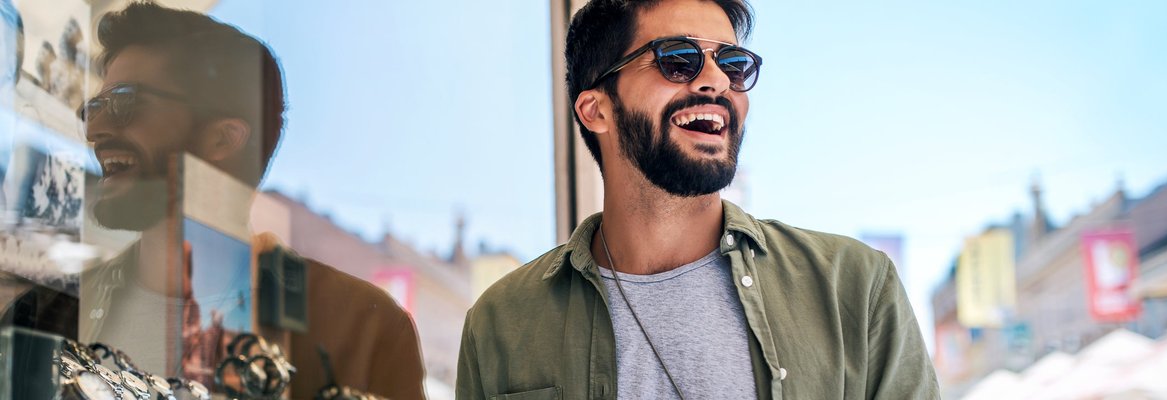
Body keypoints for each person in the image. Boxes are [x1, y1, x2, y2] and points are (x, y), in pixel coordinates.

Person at [457, 0, 939, 399]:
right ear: (596, 110)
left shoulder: (853, 288)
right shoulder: (502, 324)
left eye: (733, 64)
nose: (716, 81)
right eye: (678, 59)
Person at [5, 3, 426, 399]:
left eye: (123, 103)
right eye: (93, 108)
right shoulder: (43, 317)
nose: (94, 129)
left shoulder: (361, 330)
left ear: (222, 138)